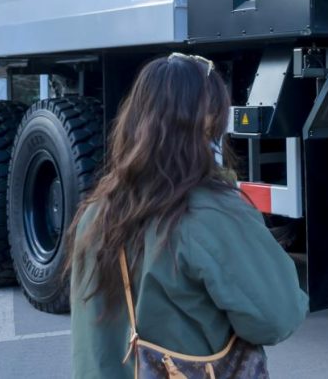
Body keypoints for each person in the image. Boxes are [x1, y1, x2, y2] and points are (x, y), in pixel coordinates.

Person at [67, 53, 308, 378]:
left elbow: (90, 349)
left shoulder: (96, 213)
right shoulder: (211, 214)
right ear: (208, 124)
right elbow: (277, 317)